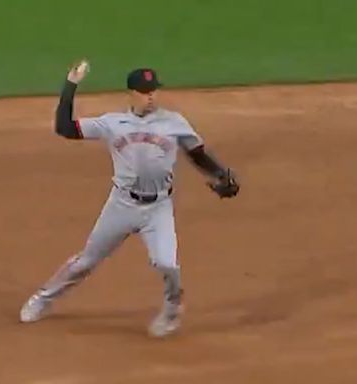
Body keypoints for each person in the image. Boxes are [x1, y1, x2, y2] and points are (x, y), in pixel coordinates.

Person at [19, 60, 239, 338]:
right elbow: (64, 128)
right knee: (86, 261)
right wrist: (71, 84)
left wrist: (220, 175)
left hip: (158, 207)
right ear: (132, 93)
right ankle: (43, 298)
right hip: (121, 205)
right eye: (145, 91)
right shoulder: (113, 123)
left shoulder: (174, 122)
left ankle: (172, 311)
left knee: (168, 264)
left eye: (153, 91)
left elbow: (197, 155)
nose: (151, 96)